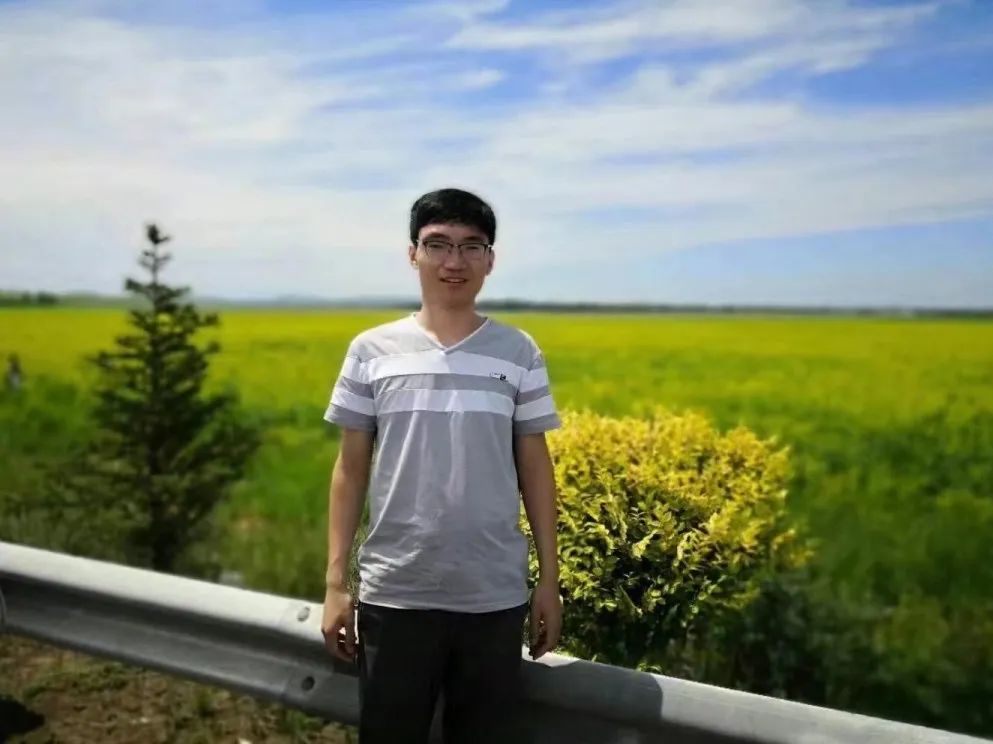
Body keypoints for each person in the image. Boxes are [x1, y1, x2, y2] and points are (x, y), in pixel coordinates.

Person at [320, 188, 563, 743]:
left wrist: (549, 581)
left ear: (490, 260)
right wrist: (335, 584)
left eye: (471, 246)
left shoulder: (519, 351)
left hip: (494, 598)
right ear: (413, 254)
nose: (455, 261)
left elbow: (536, 468)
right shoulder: (371, 350)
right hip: (395, 593)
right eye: (438, 244)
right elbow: (350, 471)